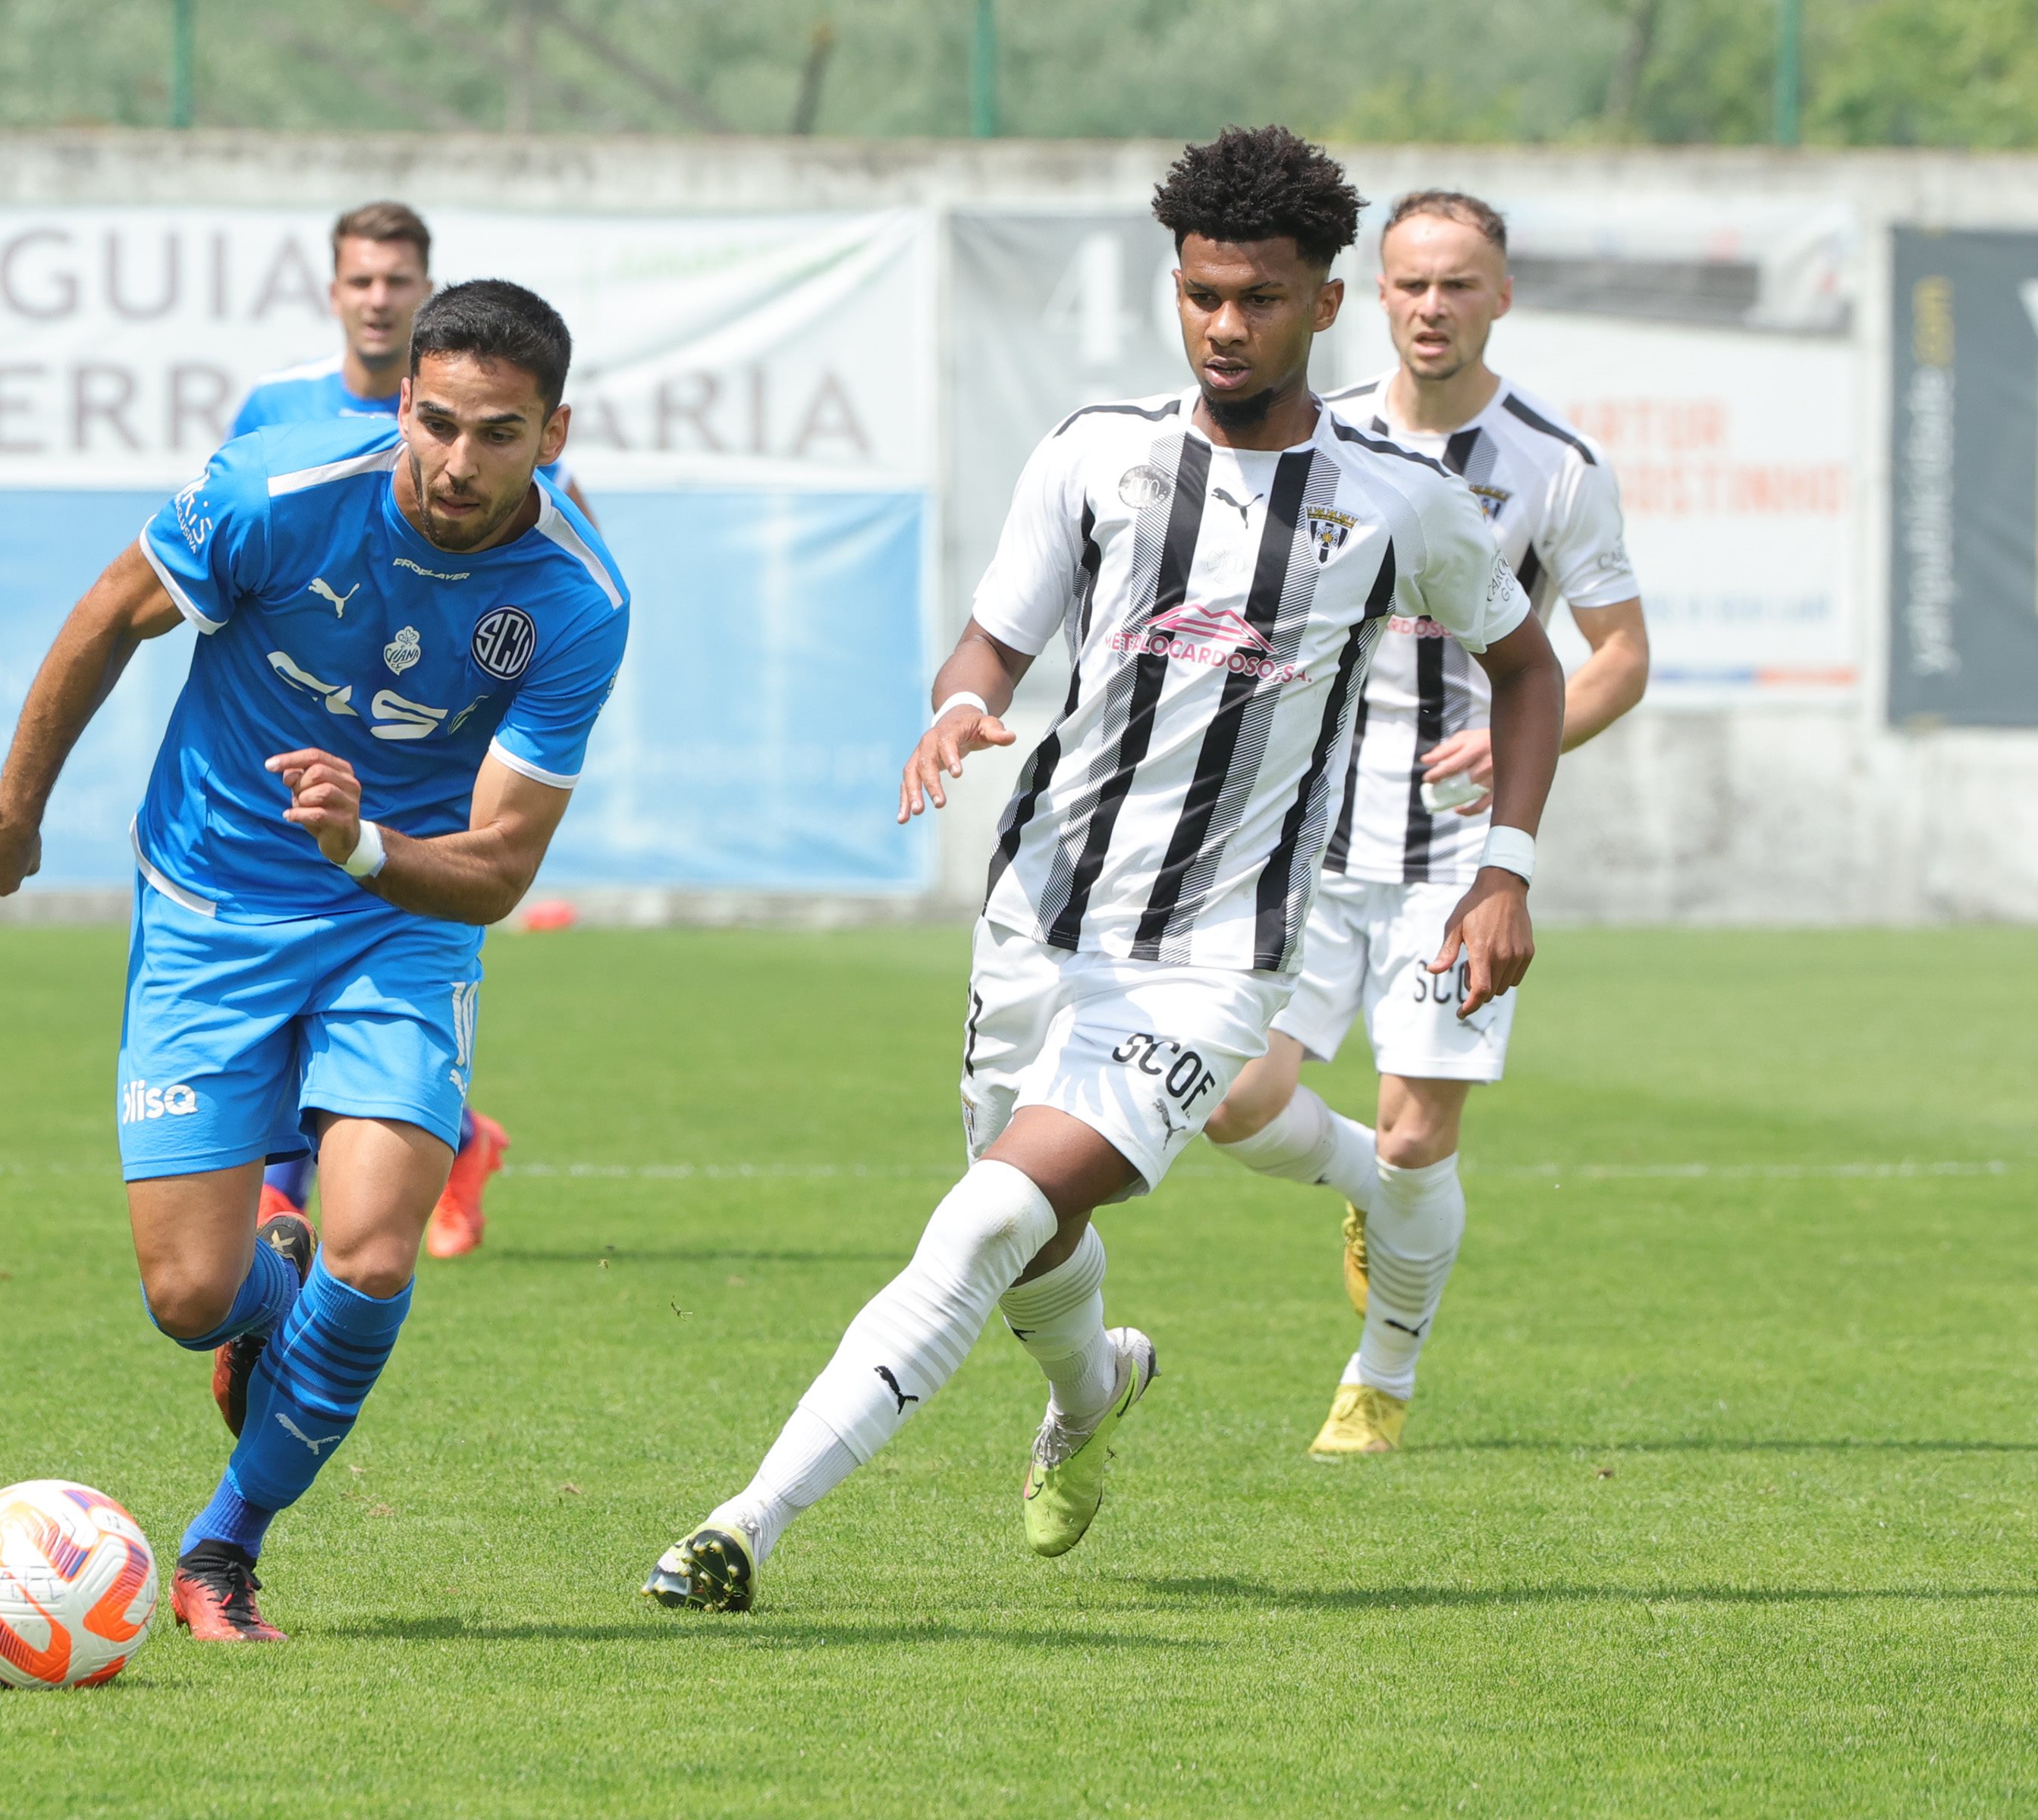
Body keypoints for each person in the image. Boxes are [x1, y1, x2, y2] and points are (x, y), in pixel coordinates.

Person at [642, 126, 1563, 1612]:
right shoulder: (1097, 455)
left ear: (1326, 307)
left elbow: (1528, 671)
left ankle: (746, 1525)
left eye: (1258, 298)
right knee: (1029, 1232)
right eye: (1200, 293)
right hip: (1039, 918)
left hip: (1214, 956)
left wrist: (1504, 869)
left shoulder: (1397, 501)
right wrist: (956, 704)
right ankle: (1093, 1392)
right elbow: (997, 639)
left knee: (991, 1218)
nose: (1222, 326)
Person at [0, 280, 628, 1643]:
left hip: (398, 912)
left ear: (552, 436)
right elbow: (109, 614)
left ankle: (222, 1550)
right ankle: (274, 1296)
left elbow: (496, 868)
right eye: (433, 424)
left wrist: (365, 844)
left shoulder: (576, 601)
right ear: (398, 407)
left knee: (375, 1255)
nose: (456, 462)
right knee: (192, 1300)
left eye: (497, 434)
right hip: (211, 892)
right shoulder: (278, 490)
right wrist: (18, 811)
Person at [1201, 190, 1648, 1458]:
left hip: (1456, 852)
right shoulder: (1318, 435)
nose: (1433, 307)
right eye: (1411, 284)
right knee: (1231, 1101)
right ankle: (1372, 1199)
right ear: (1371, 297)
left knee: (1416, 1128)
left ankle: (1379, 1378)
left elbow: (1616, 656)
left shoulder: (1553, 466)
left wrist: (1532, 734)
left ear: (1500, 296)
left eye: (1459, 284)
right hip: (1306, 838)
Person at [231, 199, 590, 1257]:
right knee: (286, 975)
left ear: (427, 293)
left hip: (423, 755)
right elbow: (241, 548)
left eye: (399, 281)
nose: (380, 298)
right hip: (296, 731)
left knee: (364, 981)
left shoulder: (492, 428)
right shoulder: (276, 410)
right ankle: (440, 1151)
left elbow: (555, 569)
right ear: (335, 292)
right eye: (362, 280)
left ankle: (288, 1212)